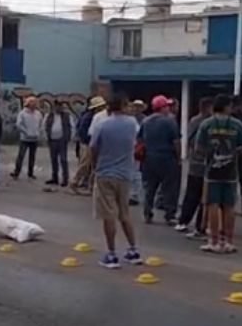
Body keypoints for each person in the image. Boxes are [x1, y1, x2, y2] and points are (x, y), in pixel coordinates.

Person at [89, 94, 141, 269]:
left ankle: (111, 254)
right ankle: (133, 250)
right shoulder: (132, 123)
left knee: (108, 215)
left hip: (105, 172)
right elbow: (136, 141)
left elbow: (93, 147)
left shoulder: (102, 124)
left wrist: (95, 167)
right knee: (124, 213)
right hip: (125, 173)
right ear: (124, 105)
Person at [194, 94, 242, 253]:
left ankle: (213, 241)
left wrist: (209, 155)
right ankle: (228, 242)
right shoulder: (236, 124)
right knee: (229, 206)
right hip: (231, 171)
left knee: (212, 205)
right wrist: (234, 153)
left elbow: (198, 148)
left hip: (212, 171)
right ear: (227, 107)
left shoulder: (207, 124)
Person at [138, 95, 181, 225]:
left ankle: (147, 213)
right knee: (170, 188)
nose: (169, 108)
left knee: (150, 187)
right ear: (162, 108)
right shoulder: (169, 121)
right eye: (167, 106)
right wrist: (179, 158)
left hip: (149, 158)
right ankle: (170, 214)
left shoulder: (146, 121)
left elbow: (139, 140)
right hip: (167, 158)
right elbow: (176, 142)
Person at [175, 97, 213, 238]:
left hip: (196, 164)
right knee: (198, 195)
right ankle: (194, 224)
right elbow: (192, 141)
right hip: (201, 164)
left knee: (194, 195)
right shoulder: (201, 122)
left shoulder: (195, 121)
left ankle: (189, 222)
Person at [70, 96, 107, 194]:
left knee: (94, 166)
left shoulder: (97, 116)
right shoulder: (88, 117)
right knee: (85, 165)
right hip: (87, 144)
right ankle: (75, 182)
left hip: (93, 143)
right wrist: (88, 141)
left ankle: (91, 186)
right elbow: (82, 131)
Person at [12, 98, 43, 180]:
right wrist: (25, 132)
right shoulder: (22, 113)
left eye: (35, 103)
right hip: (25, 138)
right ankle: (16, 172)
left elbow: (40, 124)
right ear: (28, 104)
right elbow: (18, 124)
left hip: (34, 138)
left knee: (32, 156)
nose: (34, 104)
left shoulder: (38, 114)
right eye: (32, 102)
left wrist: (38, 132)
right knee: (21, 155)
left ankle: (30, 173)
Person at [44, 100, 73, 186]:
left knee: (63, 160)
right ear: (54, 107)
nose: (58, 108)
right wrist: (46, 137)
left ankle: (65, 179)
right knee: (53, 160)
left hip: (62, 141)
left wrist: (69, 138)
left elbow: (72, 126)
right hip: (52, 140)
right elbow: (44, 126)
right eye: (57, 106)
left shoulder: (67, 116)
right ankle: (54, 178)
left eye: (60, 106)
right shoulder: (49, 116)